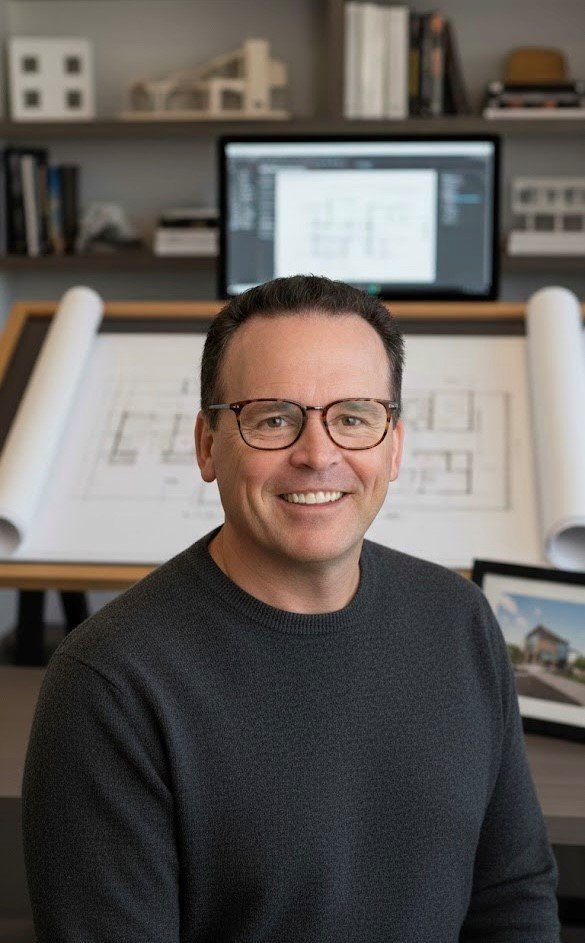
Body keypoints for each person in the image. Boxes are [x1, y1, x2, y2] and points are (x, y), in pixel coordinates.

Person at [22, 275, 560, 942]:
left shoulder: (460, 621)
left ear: (392, 446)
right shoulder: (109, 683)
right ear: (207, 444)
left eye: (353, 416)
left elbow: (512, 895)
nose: (317, 454)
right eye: (273, 417)